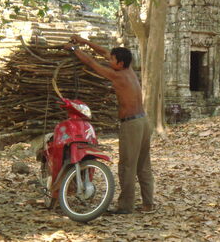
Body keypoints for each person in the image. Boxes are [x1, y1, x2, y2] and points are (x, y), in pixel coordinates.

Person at [64, 35, 155, 214]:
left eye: (112, 59)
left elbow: (91, 63)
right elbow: (105, 52)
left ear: (120, 63)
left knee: (127, 166)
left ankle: (125, 206)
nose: (109, 59)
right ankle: (148, 204)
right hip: (144, 122)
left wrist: (74, 49)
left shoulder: (117, 75)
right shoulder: (128, 70)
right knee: (143, 165)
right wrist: (83, 41)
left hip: (132, 125)